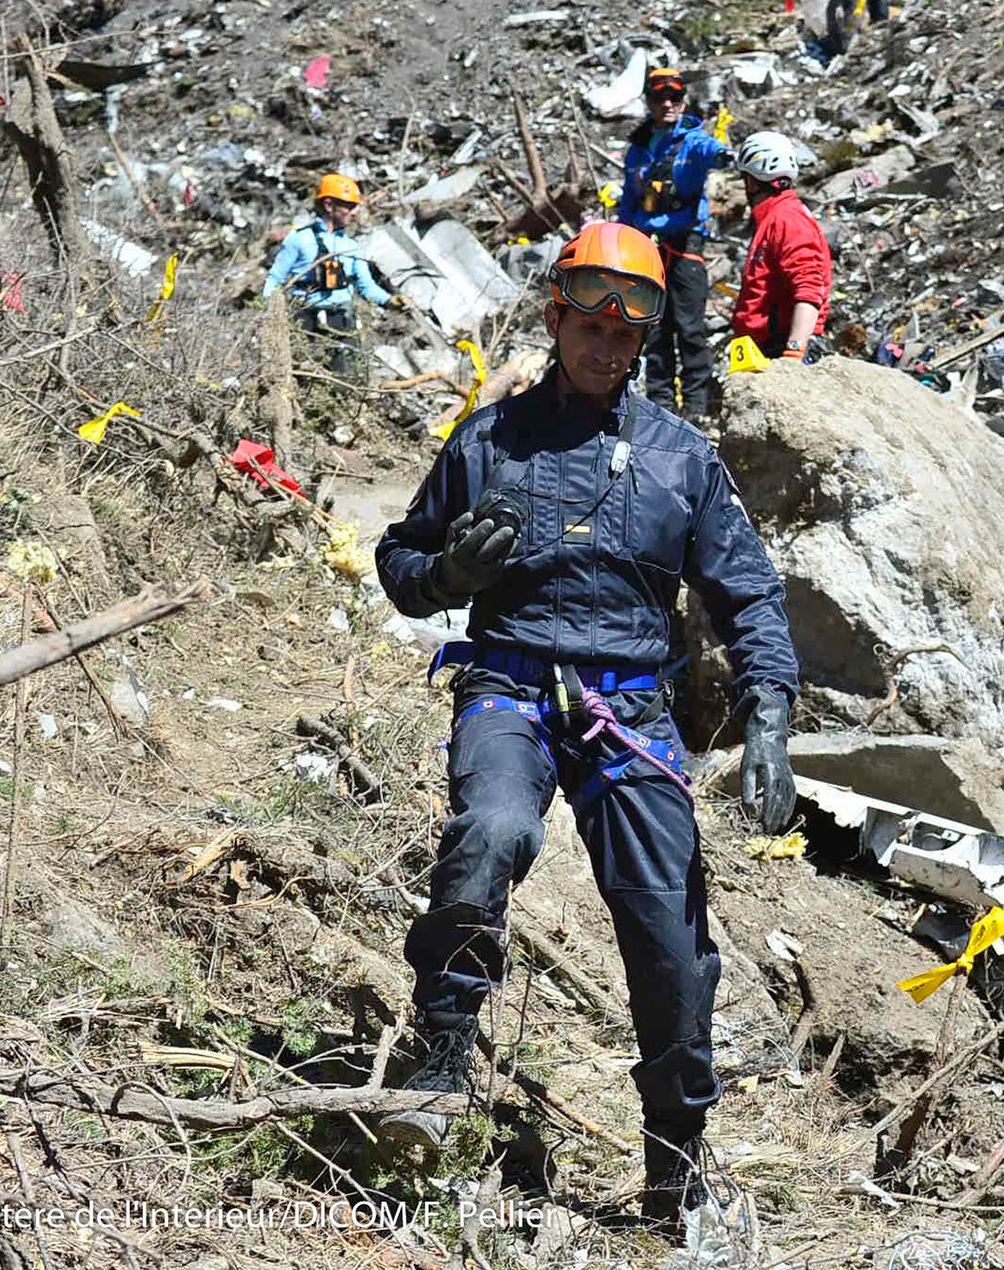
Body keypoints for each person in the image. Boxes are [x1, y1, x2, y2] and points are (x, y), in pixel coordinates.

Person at [374, 221, 799, 1225]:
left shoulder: (680, 460)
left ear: (643, 342)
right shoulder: (487, 439)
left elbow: (748, 593)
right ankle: (436, 1072)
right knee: (491, 833)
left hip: (630, 710)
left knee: (665, 926)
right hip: (507, 686)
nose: (604, 349)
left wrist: (769, 714)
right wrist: (450, 577)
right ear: (555, 316)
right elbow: (400, 563)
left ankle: (674, 1164)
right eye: (587, 326)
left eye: (625, 336)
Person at [620, 67, 732, 423]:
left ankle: (697, 406)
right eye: (659, 97)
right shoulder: (638, 148)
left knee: (690, 324)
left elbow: (713, 151)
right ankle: (661, 405)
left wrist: (728, 157)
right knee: (654, 327)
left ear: (684, 101)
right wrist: (622, 241)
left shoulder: (693, 140)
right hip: (646, 244)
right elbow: (628, 200)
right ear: (649, 102)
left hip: (685, 242)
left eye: (675, 97)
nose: (667, 104)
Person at [261, 173, 404, 375]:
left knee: (348, 376)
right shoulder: (299, 239)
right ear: (329, 205)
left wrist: (390, 301)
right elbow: (275, 279)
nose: (354, 213)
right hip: (303, 320)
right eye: (350, 206)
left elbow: (366, 286)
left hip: (341, 320)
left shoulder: (351, 246)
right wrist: (267, 314)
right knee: (305, 377)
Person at [729, 134, 832, 362]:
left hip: (782, 346)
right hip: (764, 347)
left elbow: (809, 284)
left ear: (751, 181)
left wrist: (794, 351)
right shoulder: (774, 217)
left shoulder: (786, 218)